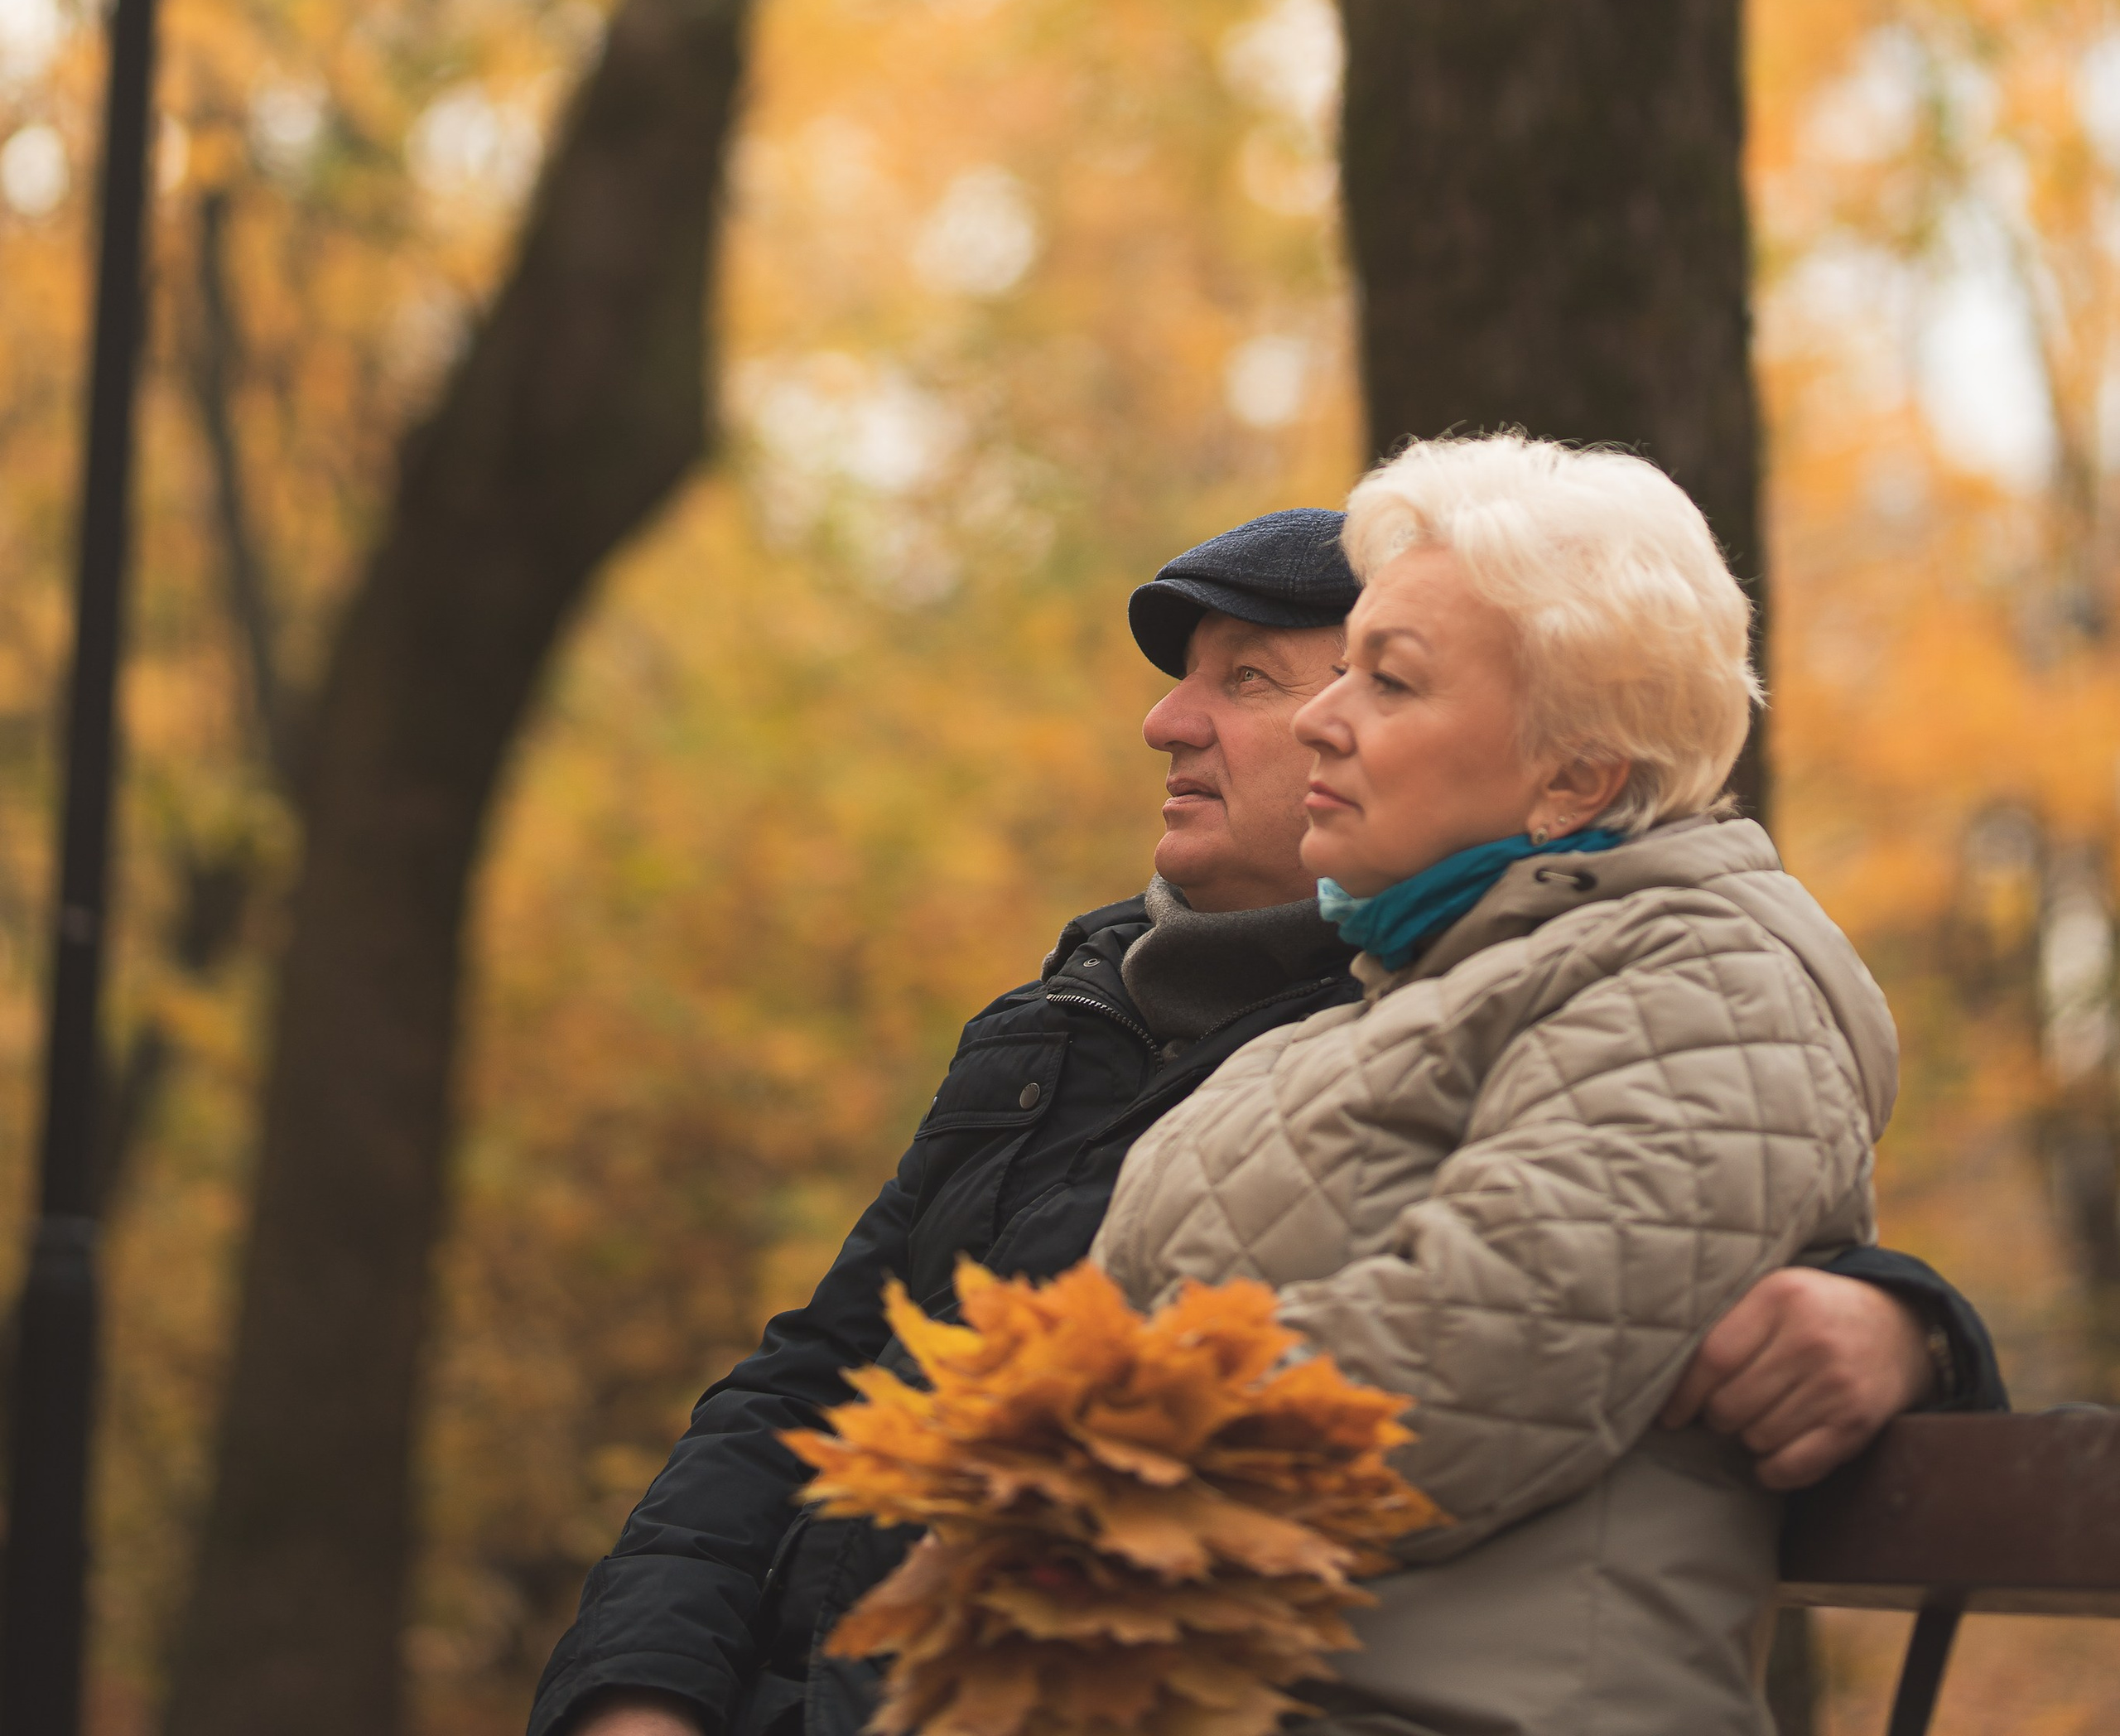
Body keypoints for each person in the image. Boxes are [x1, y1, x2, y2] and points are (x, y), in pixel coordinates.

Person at [530, 501, 1999, 1736]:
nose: (1169, 723)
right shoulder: (1069, 1017)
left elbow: (1605, 1245)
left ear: (1551, 760)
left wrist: (1908, 1323)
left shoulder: (1476, 996)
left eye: (1259, 680)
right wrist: (638, 1692)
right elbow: (813, 1380)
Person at [1094, 436, 1918, 1734]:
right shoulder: (1356, 1019)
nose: (1319, 717)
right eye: (1341, 669)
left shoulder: (1710, 984)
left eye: (1389, 679)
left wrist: (1035, 1471)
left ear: (1574, 776)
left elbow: (1449, 1386)